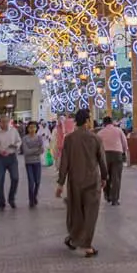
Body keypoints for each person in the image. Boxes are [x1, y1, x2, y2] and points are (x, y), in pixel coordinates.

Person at [56, 108, 107, 256]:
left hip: (75, 181)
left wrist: (60, 183)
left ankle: (74, 237)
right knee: (91, 213)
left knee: (76, 211)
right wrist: (104, 177)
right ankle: (87, 245)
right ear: (87, 121)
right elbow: (102, 160)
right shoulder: (96, 138)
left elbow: (64, 162)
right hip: (92, 180)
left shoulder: (69, 139)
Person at [0, 115, 21, 210]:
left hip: (12, 157)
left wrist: (15, 146)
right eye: (2, 122)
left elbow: (19, 141)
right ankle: (1, 202)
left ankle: (11, 198)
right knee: (0, 180)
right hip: (0, 159)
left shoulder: (13, 131)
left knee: (15, 178)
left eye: (6, 122)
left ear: (9, 122)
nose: (4, 124)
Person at [98, 116, 129, 205]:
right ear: (112, 122)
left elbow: (97, 146)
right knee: (116, 178)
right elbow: (124, 142)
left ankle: (107, 196)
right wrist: (123, 152)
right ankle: (115, 199)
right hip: (117, 154)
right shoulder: (118, 130)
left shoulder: (100, 133)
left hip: (105, 155)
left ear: (104, 123)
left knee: (105, 175)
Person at [21, 121, 46, 207]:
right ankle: (31, 199)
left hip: (37, 162)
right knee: (31, 182)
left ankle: (34, 196)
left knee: (38, 181)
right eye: (30, 127)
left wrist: (34, 150)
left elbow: (42, 150)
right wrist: (36, 149)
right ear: (28, 128)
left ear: (36, 128)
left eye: (34, 127)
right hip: (29, 163)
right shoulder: (25, 138)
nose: (32, 129)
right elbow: (26, 151)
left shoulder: (39, 138)